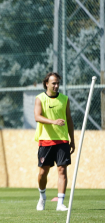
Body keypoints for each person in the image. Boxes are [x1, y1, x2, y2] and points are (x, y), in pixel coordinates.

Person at [34, 72, 75, 211]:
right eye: (54, 83)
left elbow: (69, 120)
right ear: (47, 83)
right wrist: (54, 122)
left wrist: (72, 140)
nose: (56, 85)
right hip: (46, 141)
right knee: (42, 173)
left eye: (58, 83)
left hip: (62, 141)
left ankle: (60, 203)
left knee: (62, 170)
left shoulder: (65, 99)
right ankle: (42, 197)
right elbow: (37, 117)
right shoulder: (40, 98)